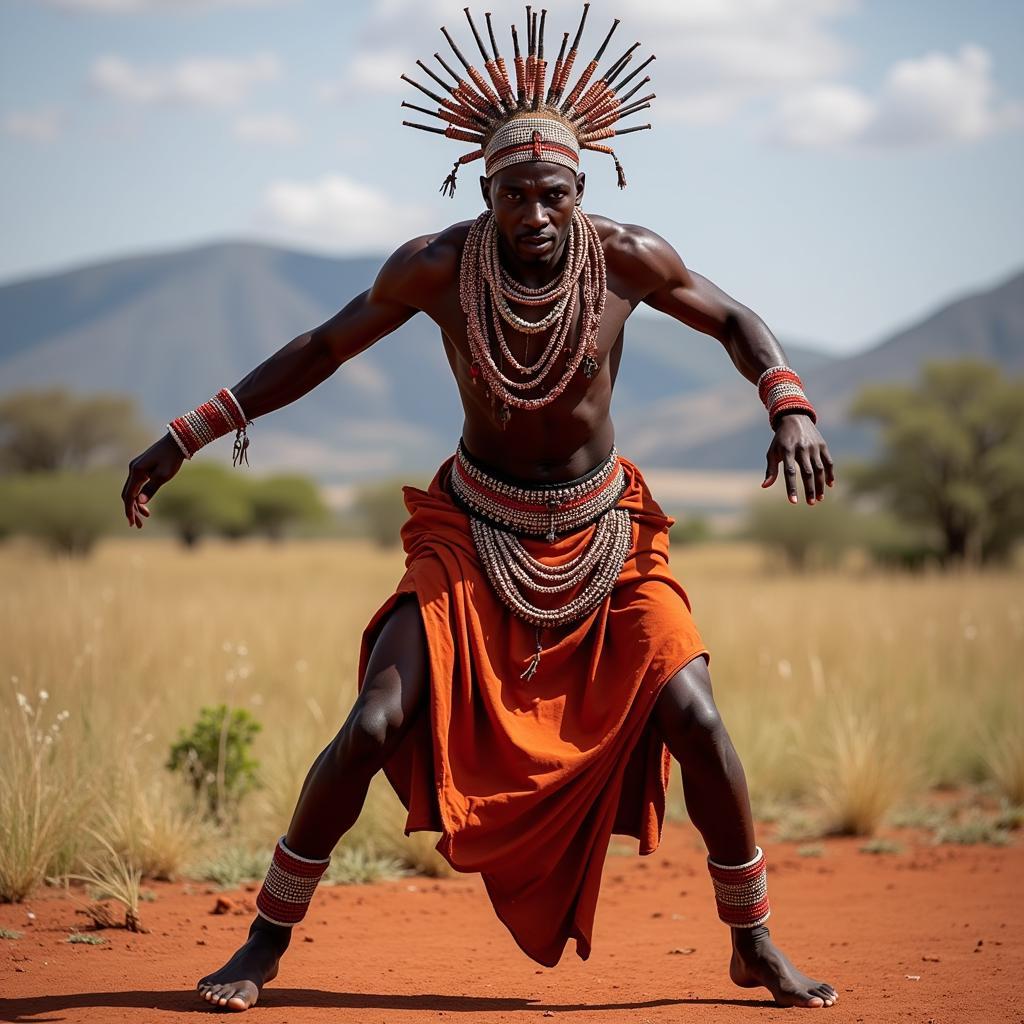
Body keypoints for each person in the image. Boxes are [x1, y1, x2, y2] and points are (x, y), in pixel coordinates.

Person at [121, 6, 838, 1012]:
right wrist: (188, 434)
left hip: (605, 530)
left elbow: (734, 319)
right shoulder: (435, 267)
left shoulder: (628, 257)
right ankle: (262, 942)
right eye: (513, 195)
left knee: (695, 714)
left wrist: (789, 408)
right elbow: (321, 350)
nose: (534, 215)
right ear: (482, 189)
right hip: (473, 529)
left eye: (552, 194)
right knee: (374, 720)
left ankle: (752, 940)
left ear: (582, 189)